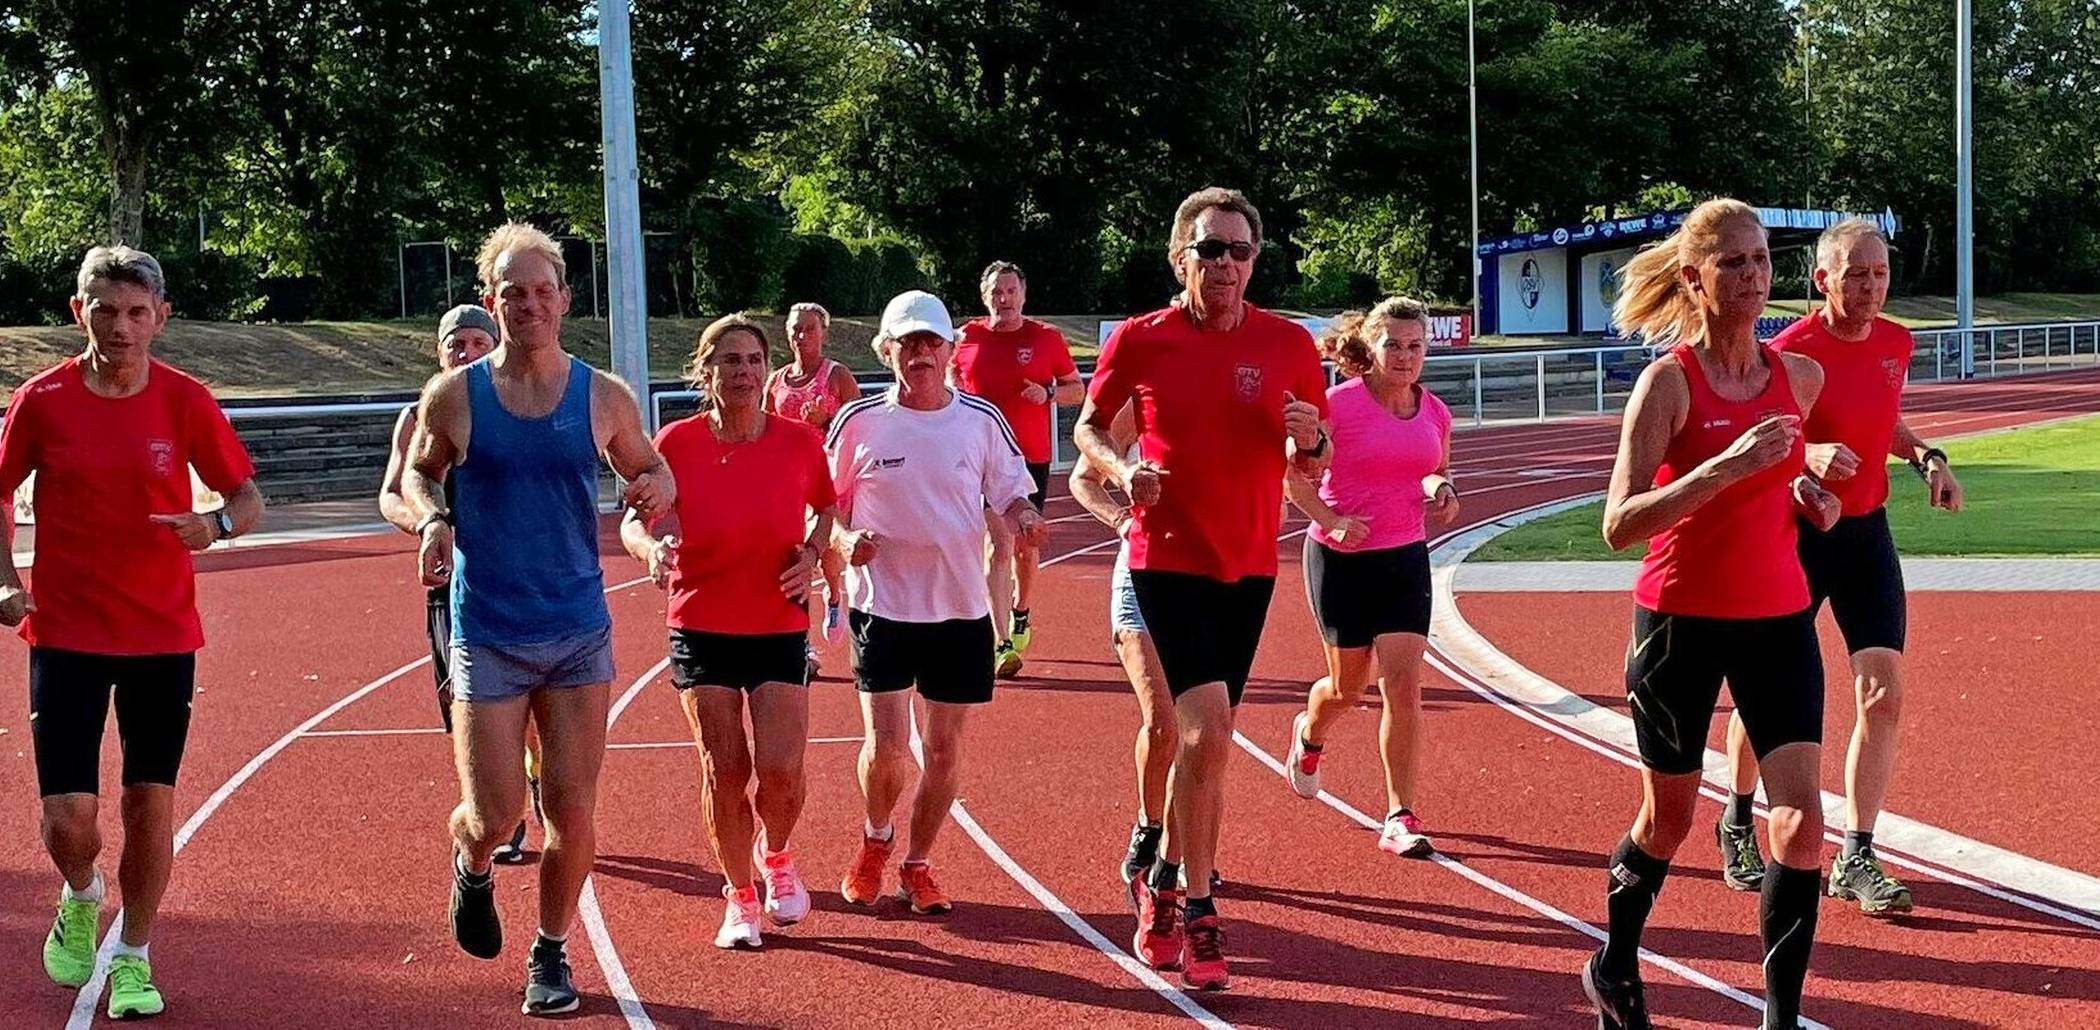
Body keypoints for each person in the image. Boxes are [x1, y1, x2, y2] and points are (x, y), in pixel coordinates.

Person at [402, 222, 674, 1016]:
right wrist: (432, 521)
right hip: (487, 629)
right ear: (495, 301)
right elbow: (422, 473)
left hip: (577, 629)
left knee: (572, 808)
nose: (528, 304)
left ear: (563, 299)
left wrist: (654, 491)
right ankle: (471, 863)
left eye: (541, 291)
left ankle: (551, 952)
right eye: (512, 293)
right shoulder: (456, 395)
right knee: (496, 815)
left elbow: (650, 465)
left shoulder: (602, 395)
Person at [1585, 199, 1842, 1030]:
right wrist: (1719, 471)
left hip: (1778, 617)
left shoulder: (1800, 376)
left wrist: (1811, 500)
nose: (1753, 276)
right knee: (1670, 819)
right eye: (1733, 263)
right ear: (1694, 278)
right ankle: (1614, 963)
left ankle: (1779, 1019)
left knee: (1803, 828)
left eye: (1762, 260)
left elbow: (1787, 484)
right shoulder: (1668, 383)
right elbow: (1619, 524)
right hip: (1678, 623)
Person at [1075, 187, 1331, 991]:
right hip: (1165, 558)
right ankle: (1200, 905)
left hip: (1249, 565)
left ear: (1256, 261)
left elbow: (1312, 466)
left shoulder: (1290, 344)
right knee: (1207, 729)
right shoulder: (1142, 340)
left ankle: (1161, 876)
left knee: (1206, 743)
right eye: (1209, 249)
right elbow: (1086, 428)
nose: (1224, 264)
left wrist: (1313, 438)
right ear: (1179, 256)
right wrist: (1123, 471)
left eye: (1239, 251)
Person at [0, 245, 265, 1020]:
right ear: (80, 311)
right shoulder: (42, 401)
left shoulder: (185, 400)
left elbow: (248, 498)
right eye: (106, 310)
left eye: (137, 312)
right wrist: (5, 582)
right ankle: (81, 893)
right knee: (69, 821)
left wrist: (213, 524)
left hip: (160, 637)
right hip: (66, 632)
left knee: (148, 804)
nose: (121, 327)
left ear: (161, 319)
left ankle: (135, 956)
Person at [1715, 218, 1964, 915]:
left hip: (1866, 535)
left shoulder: (1895, 342)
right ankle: (1737, 815)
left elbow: (1880, 419)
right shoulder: (1788, 352)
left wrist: (1926, 459)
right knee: (1771, 694)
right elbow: (1753, 445)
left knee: (1883, 691)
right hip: (1794, 536)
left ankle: (1857, 851)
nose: (1871, 286)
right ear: (1822, 279)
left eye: (1880, 273)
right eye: (1856, 274)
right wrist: (1808, 457)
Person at [827, 290, 1044, 916]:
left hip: (960, 610)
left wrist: (1025, 515)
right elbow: (825, 508)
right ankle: (876, 836)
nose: (920, 353)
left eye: (931, 342)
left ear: (950, 350)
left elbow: (1010, 492)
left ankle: (918, 863)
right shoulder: (858, 422)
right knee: (888, 747)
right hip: (883, 608)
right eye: (908, 342)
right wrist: (843, 540)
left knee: (945, 751)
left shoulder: (980, 421)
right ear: (886, 350)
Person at [622, 314, 836, 949]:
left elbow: (826, 507)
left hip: (777, 619)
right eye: (729, 361)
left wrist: (814, 552)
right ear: (705, 370)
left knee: (781, 769)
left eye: (752, 360)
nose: (742, 372)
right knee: (725, 766)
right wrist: (649, 550)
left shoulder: (799, 442)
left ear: (766, 371)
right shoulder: (677, 443)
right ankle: (740, 896)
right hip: (702, 622)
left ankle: (779, 856)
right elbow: (634, 518)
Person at [1280, 297, 1459, 857]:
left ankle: (1399, 814)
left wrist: (1441, 489)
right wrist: (1334, 521)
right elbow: (1295, 479)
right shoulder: (1338, 405)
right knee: (1347, 688)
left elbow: (1435, 469)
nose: (1405, 357)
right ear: (1372, 347)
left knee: (1403, 686)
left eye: (1416, 346)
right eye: (1394, 345)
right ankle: (1310, 734)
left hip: (1404, 556)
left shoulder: (1435, 411)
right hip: (1340, 559)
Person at [378, 305, 542, 865]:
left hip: (518, 579)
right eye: (456, 344)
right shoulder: (419, 415)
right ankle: (493, 800)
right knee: (464, 704)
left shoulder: (517, 405)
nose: (466, 352)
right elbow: (393, 492)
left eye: (478, 342)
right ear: (439, 350)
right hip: (449, 581)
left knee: (529, 701)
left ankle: (528, 786)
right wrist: (430, 524)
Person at [1067, 402, 1179, 900]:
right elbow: (1082, 478)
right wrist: (1119, 519)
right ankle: (1149, 824)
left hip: (1215, 584)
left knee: (1201, 732)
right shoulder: (1143, 403)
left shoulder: (1241, 383)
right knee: (1162, 721)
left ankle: (1183, 842)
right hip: (1141, 573)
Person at [952, 262, 1083, 677]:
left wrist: (1045, 392)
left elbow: (1076, 390)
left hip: (1029, 458)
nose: (1003, 299)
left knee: (1026, 544)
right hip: (980, 458)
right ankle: (999, 641)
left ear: (1023, 295)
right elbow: (948, 384)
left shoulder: (1046, 338)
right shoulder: (965, 338)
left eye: (1010, 291)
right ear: (984, 295)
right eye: (996, 292)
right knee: (998, 543)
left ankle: (1021, 609)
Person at [765, 302, 861, 645]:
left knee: (828, 553)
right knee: (793, 554)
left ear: (823, 333)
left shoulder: (837, 376)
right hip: (789, 481)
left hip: (830, 478)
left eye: (808, 328)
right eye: (795, 328)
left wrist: (826, 420)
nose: (800, 335)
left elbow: (857, 428)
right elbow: (762, 427)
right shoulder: (776, 381)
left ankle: (835, 596)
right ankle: (800, 642)